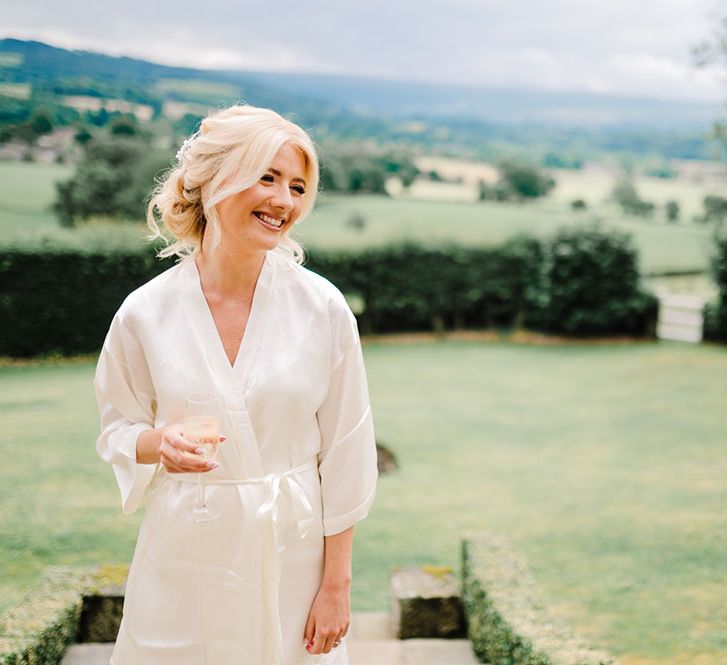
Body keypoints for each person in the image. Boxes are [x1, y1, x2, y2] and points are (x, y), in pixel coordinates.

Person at [94, 104, 378, 665]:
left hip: (292, 559)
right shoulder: (144, 313)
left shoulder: (322, 308)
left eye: (298, 186)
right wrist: (159, 443)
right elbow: (118, 429)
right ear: (213, 181)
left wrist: (336, 585)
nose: (284, 201)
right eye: (267, 177)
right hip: (183, 556)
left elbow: (348, 451)